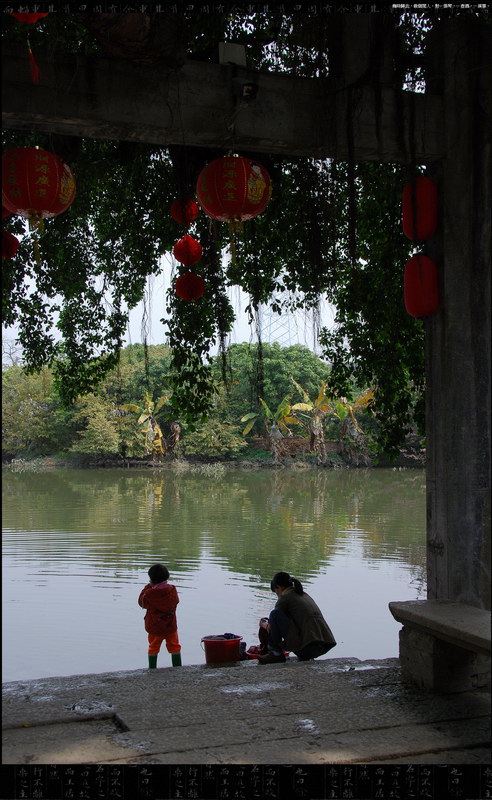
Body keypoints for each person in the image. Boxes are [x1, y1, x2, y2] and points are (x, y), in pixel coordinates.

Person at [258, 571, 336, 664]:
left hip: (307, 648)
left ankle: (276, 654)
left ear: (279, 587)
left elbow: (272, 626)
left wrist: (264, 624)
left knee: (274, 614)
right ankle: (301, 653)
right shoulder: (304, 595)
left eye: (276, 592)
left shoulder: (285, 598)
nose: (278, 595)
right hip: (322, 646)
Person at [138, 564, 182, 668]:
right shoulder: (172, 590)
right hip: (170, 626)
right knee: (174, 647)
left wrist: (147, 586)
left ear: (151, 578)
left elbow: (141, 603)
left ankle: (152, 668)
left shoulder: (149, 593)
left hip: (155, 627)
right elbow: (176, 601)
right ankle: (178, 668)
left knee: (153, 647)